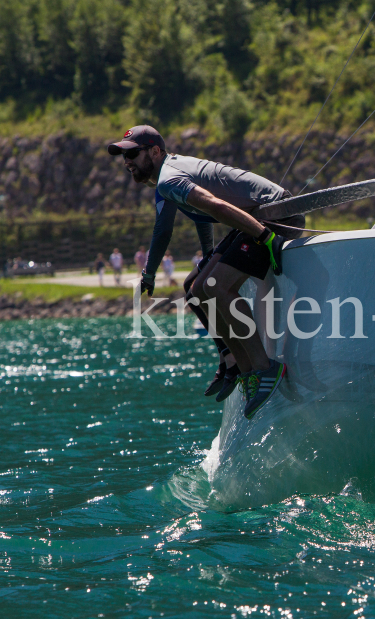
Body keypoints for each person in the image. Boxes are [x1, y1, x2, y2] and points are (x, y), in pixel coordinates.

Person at [107, 125, 302, 419]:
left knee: (216, 286)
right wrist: (159, 269)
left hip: (276, 215)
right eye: (124, 156)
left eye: (133, 153)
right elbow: (194, 219)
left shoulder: (169, 178)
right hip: (255, 220)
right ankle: (241, 366)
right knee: (197, 289)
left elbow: (214, 206)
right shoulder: (167, 180)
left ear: (155, 152)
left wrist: (265, 237)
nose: (127, 161)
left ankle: (265, 368)